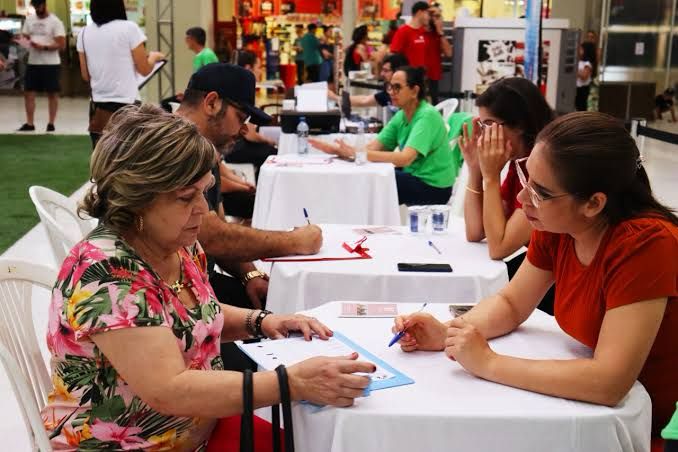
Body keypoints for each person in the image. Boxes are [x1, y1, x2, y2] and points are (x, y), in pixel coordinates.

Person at [41, 104, 375, 450]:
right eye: (187, 197)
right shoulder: (108, 274)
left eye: (204, 190)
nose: (203, 208)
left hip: (195, 431)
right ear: (136, 200)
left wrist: (263, 321)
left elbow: (196, 315)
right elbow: (170, 390)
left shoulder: (175, 245)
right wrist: (291, 382)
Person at [393, 111, 678, 442]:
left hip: (631, 426)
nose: (522, 198)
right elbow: (512, 303)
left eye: (540, 192)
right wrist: (450, 334)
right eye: (525, 179)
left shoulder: (645, 243)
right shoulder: (558, 224)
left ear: (593, 204)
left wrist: (488, 362)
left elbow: (609, 382)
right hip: (584, 406)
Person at [175, 64, 323, 370]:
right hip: (174, 300)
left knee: (288, 316)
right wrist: (294, 241)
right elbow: (210, 234)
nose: (244, 129)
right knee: (286, 356)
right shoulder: (174, 149)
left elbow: (213, 231)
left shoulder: (201, 148)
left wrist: (249, 274)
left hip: (193, 287)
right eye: (241, 117)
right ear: (212, 102)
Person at [310, 66, 458, 206]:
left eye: (397, 87)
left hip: (434, 187)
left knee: (372, 183)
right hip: (414, 176)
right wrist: (341, 151)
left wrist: (357, 153)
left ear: (414, 91)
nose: (391, 92)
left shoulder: (427, 116)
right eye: (390, 87)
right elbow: (373, 148)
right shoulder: (401, 115)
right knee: (368, 176)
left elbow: (405, 159)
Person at [460, 77, 555, 261]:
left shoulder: (543, 167)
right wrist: (475, 170)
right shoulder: (517, 161)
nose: (482, 134)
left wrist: (491, 177)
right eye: (481, 125)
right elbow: (475, 231)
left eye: (488, 124)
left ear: (519, 125)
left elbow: (499, 247)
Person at [77, 0, 164, 148]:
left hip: (99, 109)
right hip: (128, 106)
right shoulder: (129, 29)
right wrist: (153, 57)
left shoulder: (84, 33)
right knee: (129, 159)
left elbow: (86, 75)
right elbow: (144, 69)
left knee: (103, 161)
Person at [224, 50, 277, 179]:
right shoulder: (243, 92)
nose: (260, 71)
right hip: (234, 149)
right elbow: (250, 135)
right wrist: (270, 141)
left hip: (230, 146)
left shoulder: (234, 87)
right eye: (258, 67)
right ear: (248, 68)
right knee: (273, 154)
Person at [17, 0, 65, 133]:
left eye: (39, 6)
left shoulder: (55, 22)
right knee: (28, 93)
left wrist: (44, 47)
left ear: (44, 5)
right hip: (33, 62)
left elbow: (61, 44)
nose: (37, 9)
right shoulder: (30, 20)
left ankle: (51, 123)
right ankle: (30, 123)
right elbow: (25, 36)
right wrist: (23, 40)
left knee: (52, 94)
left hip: (51, 64)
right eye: (35, 7)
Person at [160, 26, 219, 114]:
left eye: (187, 38)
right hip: (196, 95)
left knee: (165, 104)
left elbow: (211, 79)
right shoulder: (200, 55)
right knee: (165, 103)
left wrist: (190, 97)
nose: (185, 41)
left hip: (202, 98)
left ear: (192, 39)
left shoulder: (207, 55)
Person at [330, 52, 408, 109]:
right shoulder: (389, 92)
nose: (382, 74)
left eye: (386, 70)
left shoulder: (407, 98)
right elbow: (364, 100)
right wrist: (335, 97)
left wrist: (335, 97)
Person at [425, 3, 453, 105]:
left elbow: (449, 53)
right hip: (418, 77)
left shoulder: (438, 35)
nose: (437, 19)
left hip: (433, 78)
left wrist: (440, 32)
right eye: (434, 15)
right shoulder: (418, 31)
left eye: (439, 16)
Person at [389, 1, 430, 72]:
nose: (429, 17)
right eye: (427, 13)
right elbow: (393, 55)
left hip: (422, 76)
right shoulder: (403, 31)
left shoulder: (424, 32)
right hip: (408, 77)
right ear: (420, 13)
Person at [576, 41, 597, 111]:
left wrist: (575, 71)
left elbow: (584, 76)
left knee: (581, 107)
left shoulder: (587, 63)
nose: (578, 50)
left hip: (582, 89)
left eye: (581, 49)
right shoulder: (579, 61)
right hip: (577, 88)